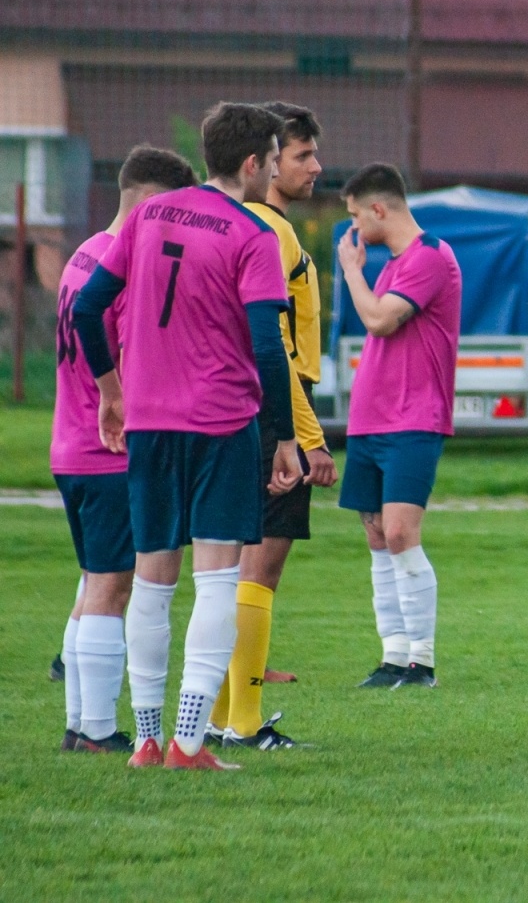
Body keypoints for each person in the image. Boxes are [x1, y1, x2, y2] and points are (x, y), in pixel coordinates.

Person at [74, 103, 303, 771]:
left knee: (152, 582)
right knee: (218, 581)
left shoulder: (148, 215)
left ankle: (145, 741)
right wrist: (284, 436)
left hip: (148, 425)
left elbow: (91, 308)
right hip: (220, 424)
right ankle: (190, 742)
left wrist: (112, 391)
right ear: (254, 163)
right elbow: (268, 343)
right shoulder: (252, 234)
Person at [51, 145, 197, 755]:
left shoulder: (81, 256)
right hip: (107, 450)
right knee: (114, 589)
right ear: (150, 202)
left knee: (94, 585)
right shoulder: (124, 271)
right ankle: (99, 731)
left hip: (69, 447)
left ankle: (79, 725)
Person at [208, 101, 338, 749]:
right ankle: (242, 722)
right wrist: (307, 436)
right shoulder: (268, 231)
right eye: (302, 155)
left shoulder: (256, 225)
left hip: (259, 404)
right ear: (264, 162)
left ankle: (224, 713)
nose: (315, 166)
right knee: (258, 568)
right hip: (274, 409)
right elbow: (276, 344)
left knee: (240, 569)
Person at [336, 163, 462, 691]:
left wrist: (349, 271)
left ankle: (422, 662)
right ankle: (392, 656)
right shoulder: (390, 265)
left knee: (400, 532)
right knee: (375, 536)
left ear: (378, 210)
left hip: (414, 417)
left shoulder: (431, 257)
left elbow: (380, 319)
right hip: (371, 417)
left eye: (354, 216)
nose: (353, 229)